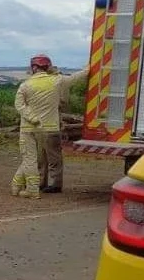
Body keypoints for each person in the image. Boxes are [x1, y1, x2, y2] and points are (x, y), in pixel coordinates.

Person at [12, 54, 88, 196]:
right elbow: (76, 78)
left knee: (37, 158)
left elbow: (19, 105)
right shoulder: (57, 81)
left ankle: (38, 183)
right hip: (51, 128)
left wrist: (32, 117)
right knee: (54, 157)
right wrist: (89, 67)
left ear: (34, 68)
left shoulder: (25, 84)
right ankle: (54, 184)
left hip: (32, 128)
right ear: (47, 67)